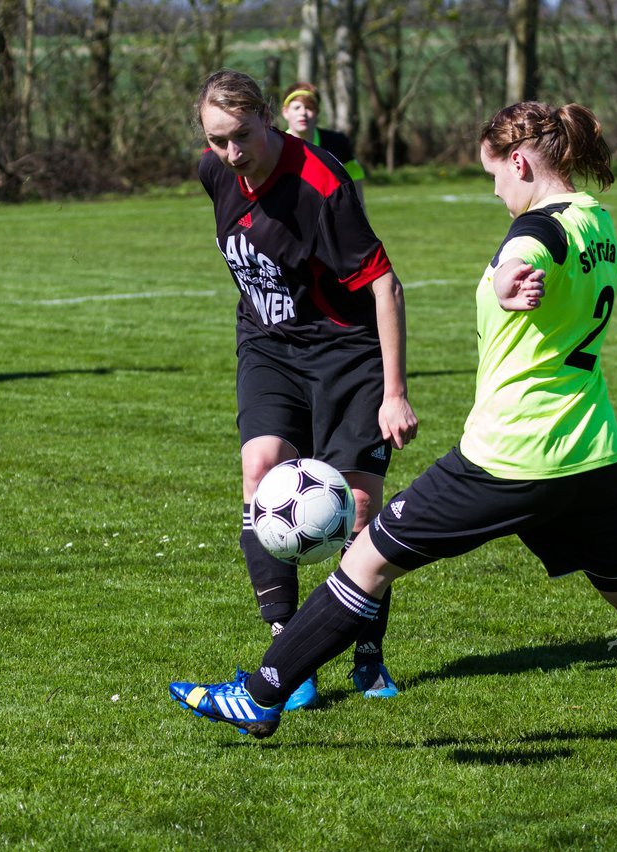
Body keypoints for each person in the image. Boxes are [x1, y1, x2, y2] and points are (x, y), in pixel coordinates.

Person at [170, 100, 617, 743]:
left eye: (494, 176)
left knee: (363, 565)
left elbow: (527, 256)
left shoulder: (534, 230)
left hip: (509, 457)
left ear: (519, 161)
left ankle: (259, 697)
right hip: (592, 453)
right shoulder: (599, 221)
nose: (495, 191)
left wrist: (512, 278)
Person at [192, 70, 419, 711]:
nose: (232, 154)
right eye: (217, 141)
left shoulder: (322, 184)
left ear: (266, 117)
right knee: (260, 471)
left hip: (348, 352)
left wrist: (394, 392)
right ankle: (290, 651)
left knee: (359, 508)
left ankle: (368, 654)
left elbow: (385, 285)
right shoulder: (214, 174)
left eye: (240, 136)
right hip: (269, 345)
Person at [280, 81, 366, 206]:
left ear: (317, 112)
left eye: (309, 107)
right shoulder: (275, 146)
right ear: (285, 112)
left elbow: (355, 179)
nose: (303, 113)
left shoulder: (337, 143)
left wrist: (362, 216)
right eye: (297, 107)